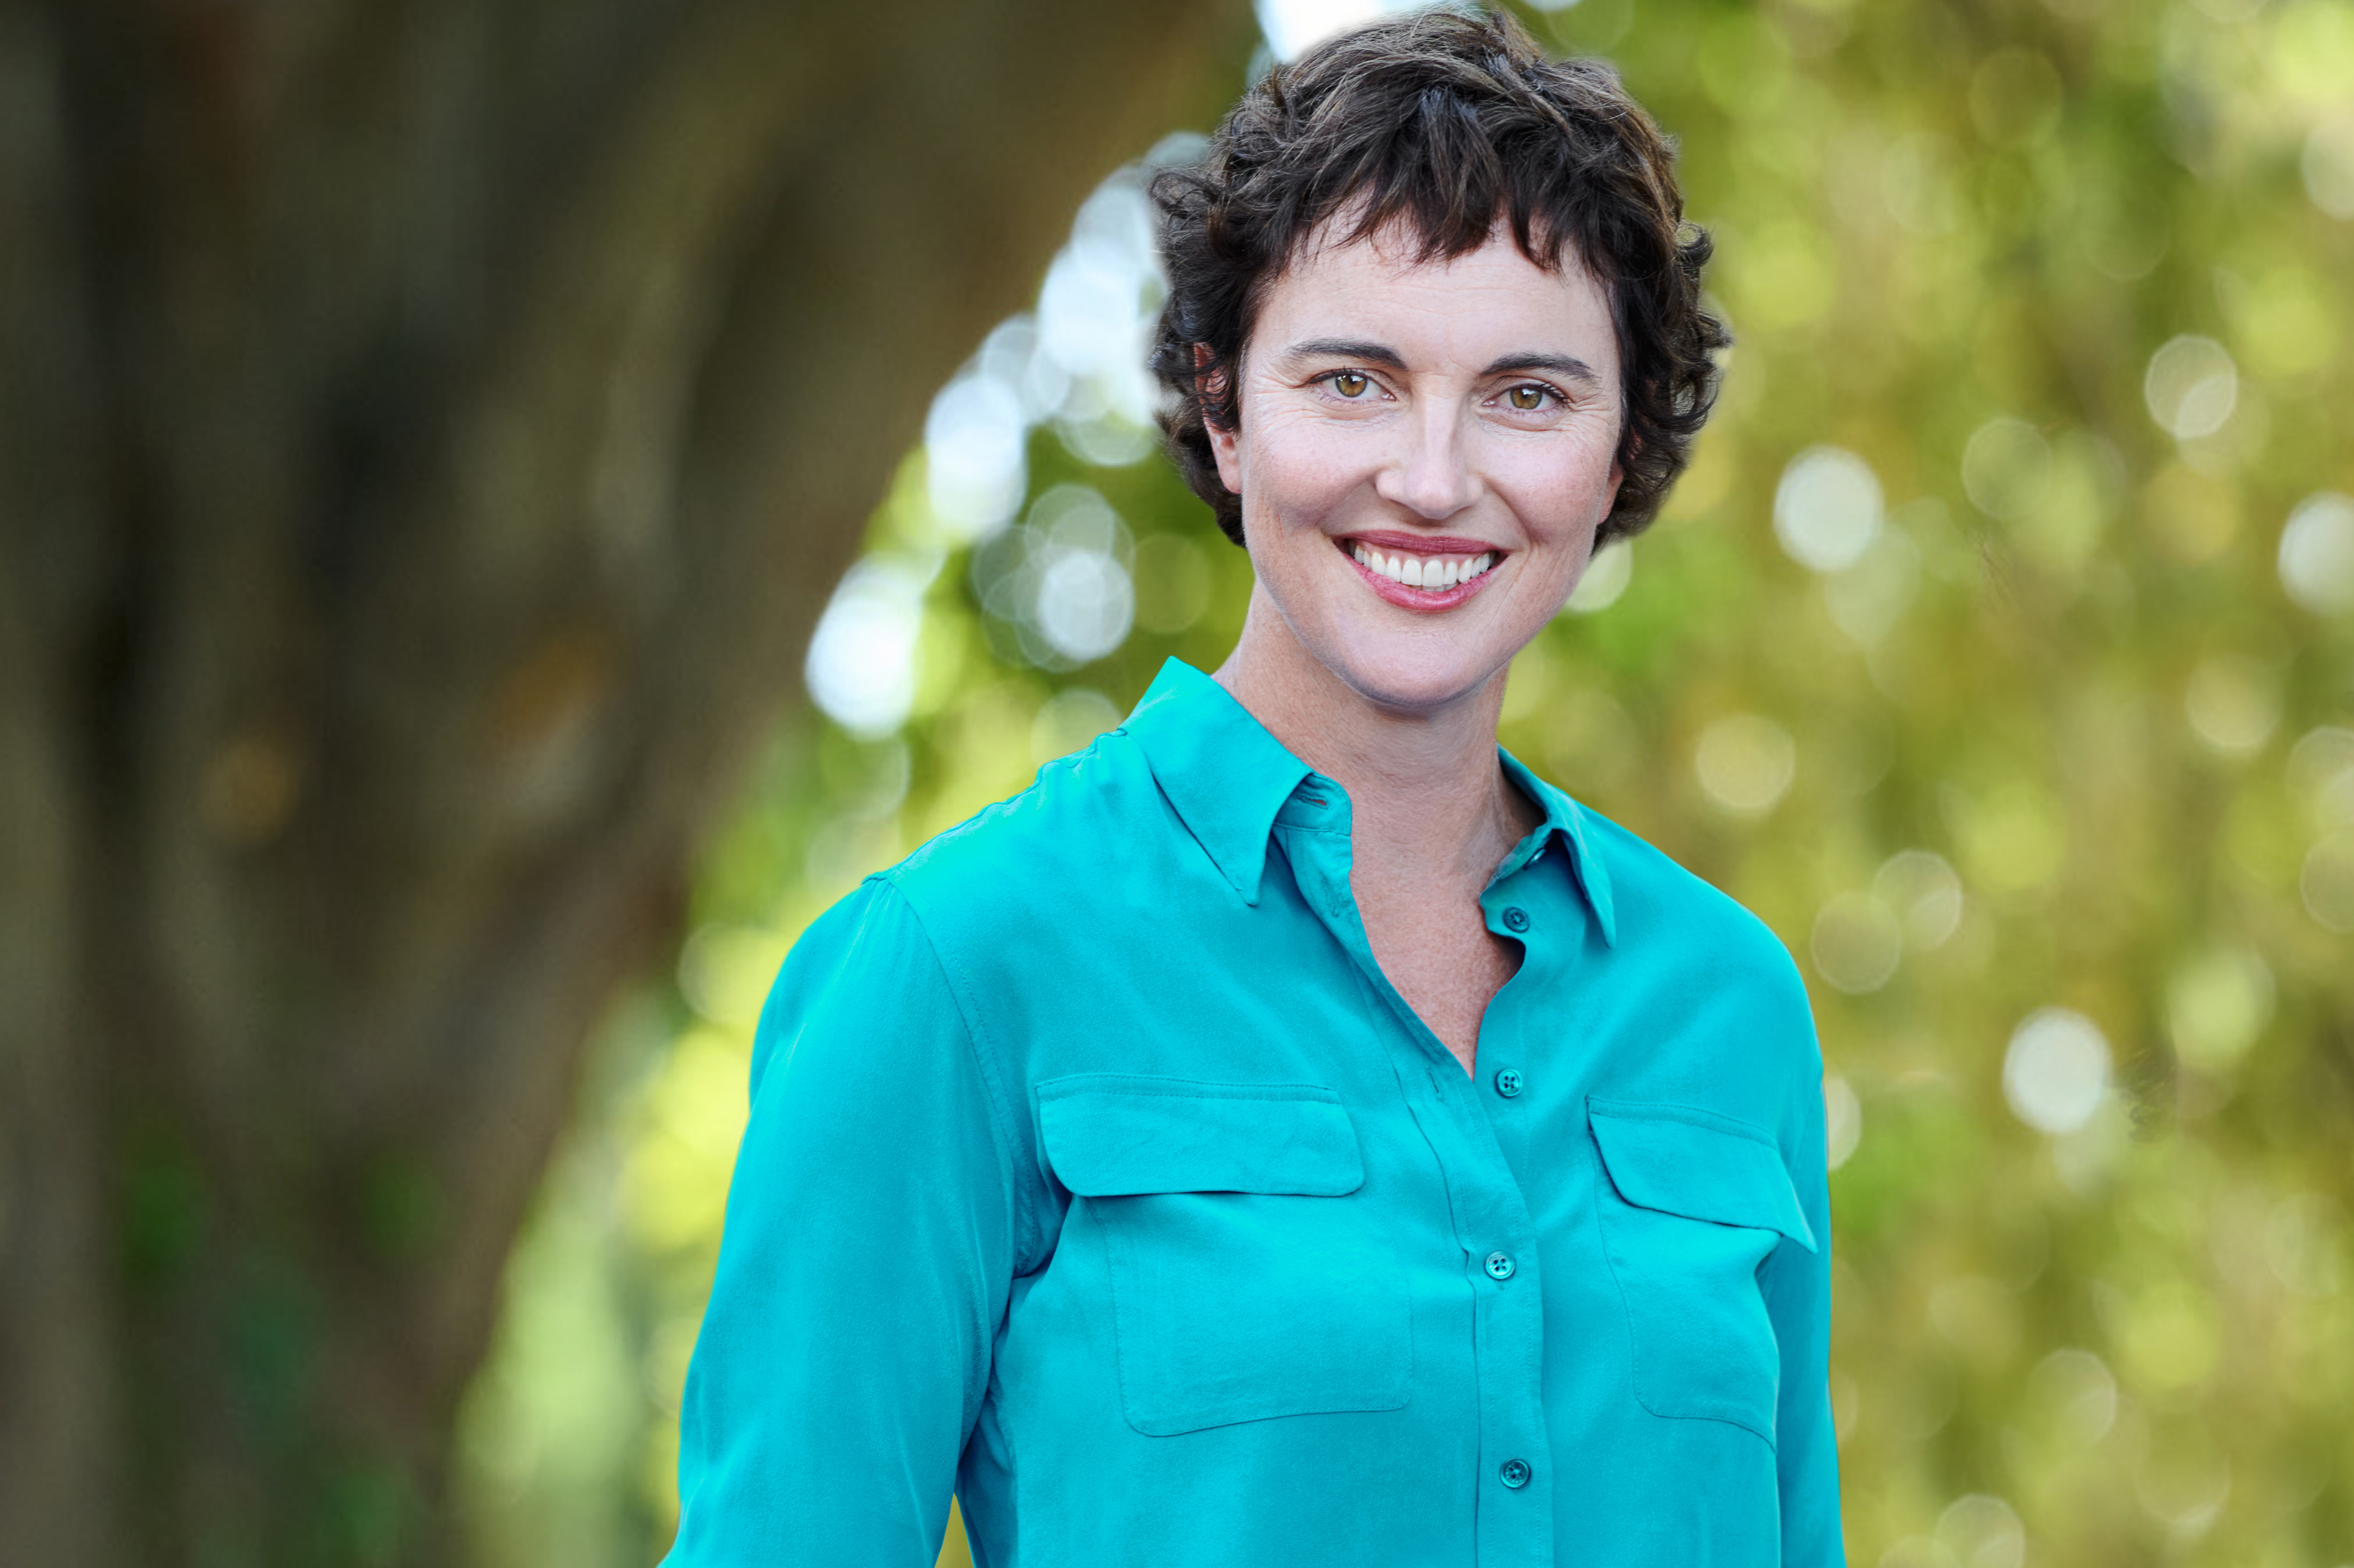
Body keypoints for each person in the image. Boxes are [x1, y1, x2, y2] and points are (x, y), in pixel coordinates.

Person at [663, 9, 1843, 1566]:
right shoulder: (957, 970)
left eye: (1529, 394)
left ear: (1622, 447)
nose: (1433, 477)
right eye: (1353, 381)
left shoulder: (1728, 1004)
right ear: (1225, 408)